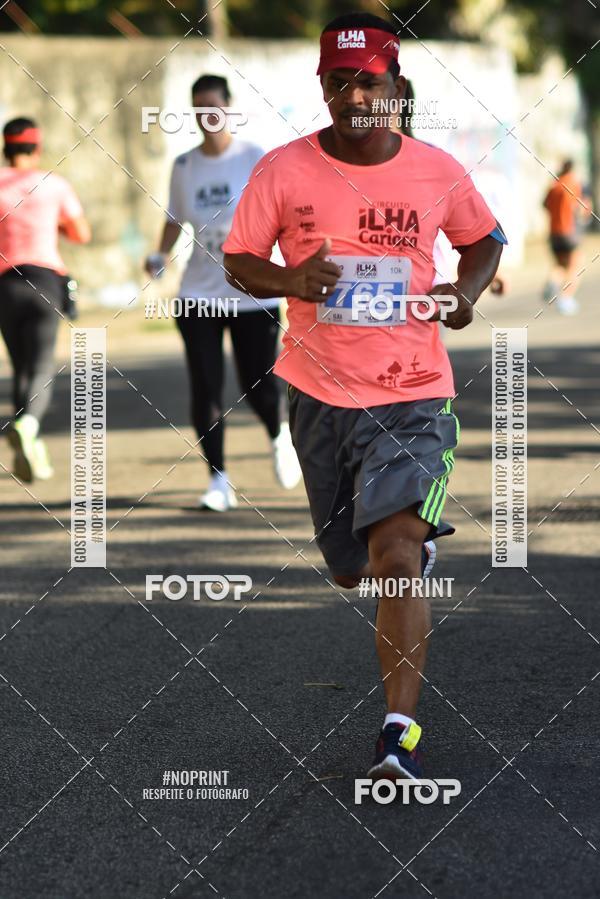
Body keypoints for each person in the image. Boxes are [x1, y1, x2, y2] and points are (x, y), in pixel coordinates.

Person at [223, 12, 505, 780]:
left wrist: (465, 291)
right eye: (338, 82)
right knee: (351, 566)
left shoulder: (436, 170)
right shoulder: (283, 170)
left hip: (414, 394)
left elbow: (485, 238)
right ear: (322, 86)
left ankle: (397, 732)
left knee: (398, 555)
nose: (353, 96)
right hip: (317, 392)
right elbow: (240, 258)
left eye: (368, 82)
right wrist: (289, 280)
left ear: (395, 88)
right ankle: (361, 567)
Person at [146, 74, 301, 512]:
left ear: (230, 107)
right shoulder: (184, 166)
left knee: (258, 384)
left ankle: (278, 435)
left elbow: (282, 216)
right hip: (199, 293)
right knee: (206, 387)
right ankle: (218, 480)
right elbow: (176, 219)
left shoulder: (256, 159)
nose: (206, 117)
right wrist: (159, 255)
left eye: (213, 107)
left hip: (253, 292)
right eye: (198, 109)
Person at [0, 117, 90, 482]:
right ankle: (29, 426)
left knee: (21, 366)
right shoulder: (54, 185)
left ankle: (31, 447)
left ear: (5, 148)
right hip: (43, 281)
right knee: (40, 366)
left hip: (4, 285)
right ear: (36, 149)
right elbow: (81, 233)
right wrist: (52, 223)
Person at [542, 159, 591, 315]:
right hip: (569, 231)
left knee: (561, 264)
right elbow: (583, 207)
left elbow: (544, 204)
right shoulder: (573, 183)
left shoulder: (554, 185)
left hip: (554, 232)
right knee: (576, 265)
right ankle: (565, 297)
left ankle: (552, 282)